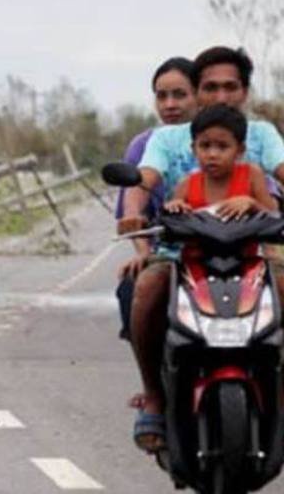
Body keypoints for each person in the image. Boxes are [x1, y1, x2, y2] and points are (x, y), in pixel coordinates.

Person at [120, 46, 284, 452]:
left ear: (245, 91)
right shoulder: (168, 140)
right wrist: (136, 216)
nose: (221, 96)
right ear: (196, 91)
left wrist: (256, 205)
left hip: (257, 255)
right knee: (144, 289)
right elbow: (145, 180)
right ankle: (155, 396)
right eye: (210, 87)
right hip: (183, 258)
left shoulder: (261, 136)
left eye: (231, 87)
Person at [115, 57, 197, 339]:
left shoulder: (226, 136)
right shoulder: (145, 144)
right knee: (131, 288)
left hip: (227, 249)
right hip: (167, 250)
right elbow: (133, 201)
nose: (170, 104)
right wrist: (143, 252)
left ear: (199, 95)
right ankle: (152, 378)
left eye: (179, 94)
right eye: (161, 96)